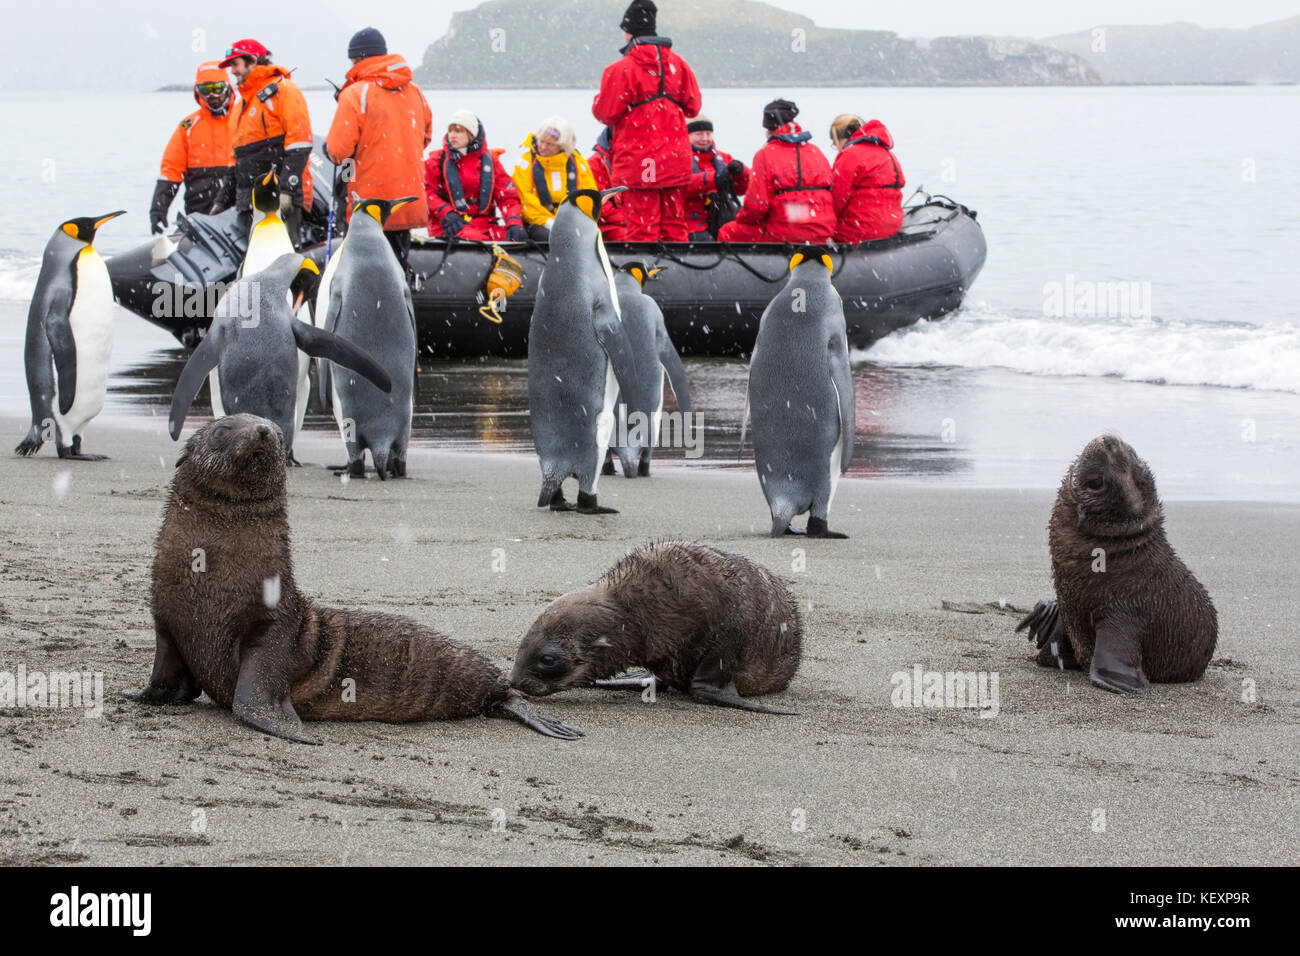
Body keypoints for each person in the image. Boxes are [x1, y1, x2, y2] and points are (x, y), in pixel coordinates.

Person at [591, 0, 701, 241]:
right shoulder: (679, 65)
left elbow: (605, 113)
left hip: (641, 163)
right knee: (675, 228)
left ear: (628, 31)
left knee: (642, 230)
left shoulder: (622, 69)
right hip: (674, 161)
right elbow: (694, 107)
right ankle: (676, 276)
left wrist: (599, 100)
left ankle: (644, 277)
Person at [325, 28, 433, 268]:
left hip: (369, 205)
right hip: (406, 201)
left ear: (357, 59)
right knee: (397, 272)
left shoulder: (355, 94)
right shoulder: (415, 92)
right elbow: (425, 137)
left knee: (362, 275)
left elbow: (337, 151)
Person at [220, 39, 314, 244]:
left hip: (279, 199)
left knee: (284, 263)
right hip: (248, 203)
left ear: (252, 61)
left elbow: (300, 142)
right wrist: (222, 200)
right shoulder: (240, 107)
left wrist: (287, 191)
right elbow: (235, 160)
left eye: (235, 64)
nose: (232, 71)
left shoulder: (284, 91)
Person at [718, 98, 836, 244]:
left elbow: (756, 206)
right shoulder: (816, 151)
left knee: (728, 231)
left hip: (786, 231)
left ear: (769, 130)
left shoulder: (765, 154)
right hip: (824, 229)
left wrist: (740, 218)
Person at [149, 61, 235, 234]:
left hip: (237, 212)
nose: (212, 94)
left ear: (227, 87)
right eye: (205, 89)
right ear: (197, 91)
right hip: (199, 215)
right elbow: (171, 170)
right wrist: (159, 208)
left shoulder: (244, 120)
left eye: (217, 88)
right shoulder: (187, 127)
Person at [424, 110, 526, 242]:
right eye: (450, 131)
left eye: (459, 131)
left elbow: (507, 196)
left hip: (485, 224)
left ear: (471, 135)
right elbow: (426, 191)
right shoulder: (438, 160)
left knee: (515, 239)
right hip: (451, 224)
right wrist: (445, 213)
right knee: (478, 241)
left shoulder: (490, 162)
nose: (452, 135)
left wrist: (514, 222)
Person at [513, 116, 598, 241]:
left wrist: (577, 222)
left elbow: (589, 197)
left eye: (549, 144)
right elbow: (527, 202)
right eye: (541, 141)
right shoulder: (526, 164)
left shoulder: (578, 163)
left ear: (562, 146)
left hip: (573, 222)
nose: (542, 147)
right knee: (552, 238)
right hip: (539, 223)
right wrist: (550, 223)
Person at [829, 113, 906, 243]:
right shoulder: (889, 155)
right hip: (891, 228)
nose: (836, 148)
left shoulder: (849, 155)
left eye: (834, 143)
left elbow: (837, 198)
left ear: (842, 139)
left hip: (859, 231)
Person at [682, 114, 749, 241]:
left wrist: (742, 172)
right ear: (687, 135)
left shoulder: (724, 158)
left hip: (725, 221)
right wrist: (713, 179)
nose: (705, 138)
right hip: (692, 224)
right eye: (699, 134)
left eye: (708, 133)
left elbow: (742, 189)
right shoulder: (678, 159)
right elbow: (681, 189)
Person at [587, 126, 625, 236]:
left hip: (631, 224)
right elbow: (599, 202)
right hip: (607, 228)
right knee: (637, 238)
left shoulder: (635, 162)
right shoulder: (594, 163)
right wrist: (625, 219)